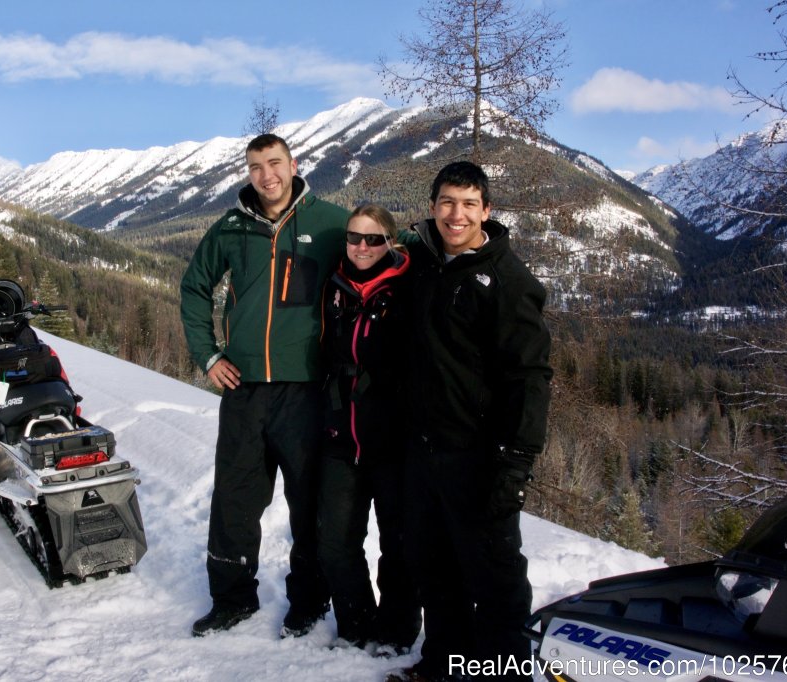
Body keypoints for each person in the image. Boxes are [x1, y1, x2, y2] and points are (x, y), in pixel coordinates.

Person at [180, 133, 350, 638]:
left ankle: (309, 602)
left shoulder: (330, 222)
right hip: (245, 390)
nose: (265, 175)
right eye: (255, 166)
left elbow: (381, 247)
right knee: (234, 501)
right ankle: (232, 600)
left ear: (293, 165)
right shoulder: (231, 227)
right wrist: (208, 355)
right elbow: (194, 288)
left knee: (309, 504)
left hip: (305, 392)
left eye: (274, 163)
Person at [390, 162, 552, 682]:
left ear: (486, 210)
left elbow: (529, 378)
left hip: (479, 457)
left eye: (467, 204)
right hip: (423, 451)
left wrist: (514, 463)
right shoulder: (421, 263)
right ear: (433, 206)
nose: (455, 214)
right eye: (446, 202)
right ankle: (442, 664)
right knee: (435, 570)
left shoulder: (506, 279)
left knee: (495, 579)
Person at [318, 205, 422, 654]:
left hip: (393, 438)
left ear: (391, 243)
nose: (362, 247)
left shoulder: (410, 287)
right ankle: (355, 623)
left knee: (397, 542)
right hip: (342, 435)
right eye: (354, 237)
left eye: (373, 239)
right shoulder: (335, 285)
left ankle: (396, 633)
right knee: (337, 539)